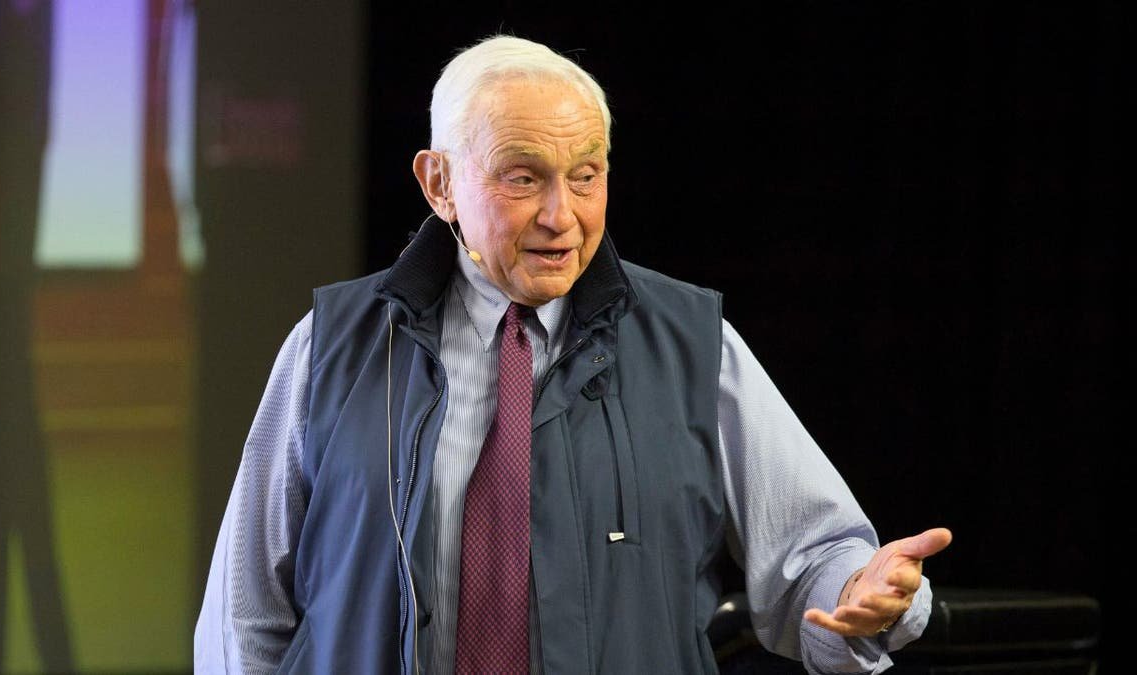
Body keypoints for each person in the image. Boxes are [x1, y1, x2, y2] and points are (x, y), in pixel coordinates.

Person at [195, 35, 952, 674]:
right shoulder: (338, 343)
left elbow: (810, 567)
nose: (562, 216)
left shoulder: (691, 343)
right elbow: (245, 615)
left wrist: (864, 591)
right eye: (523, 177)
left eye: (586, 176)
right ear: (440, 183)